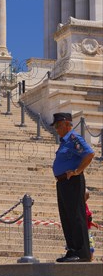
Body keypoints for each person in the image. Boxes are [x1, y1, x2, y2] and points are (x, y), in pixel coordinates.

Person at [51, 112, 95, 262]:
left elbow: (89, 154)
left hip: (72, 182)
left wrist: (77, 171)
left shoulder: (73, 138)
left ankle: (82, 252)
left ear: (67, 124)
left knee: (76, 216)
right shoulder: (64, 142)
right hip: (63, 183)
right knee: (66, 217)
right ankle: (72, 249)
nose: (56, 129)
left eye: (58, 125)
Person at [85, 189, 95, 261]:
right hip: (82, 229)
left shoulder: (85, 205)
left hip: (87, 228)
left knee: (91, 243)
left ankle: (90, 258)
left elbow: (88, 217)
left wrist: (94, 224)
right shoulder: (79, 205)